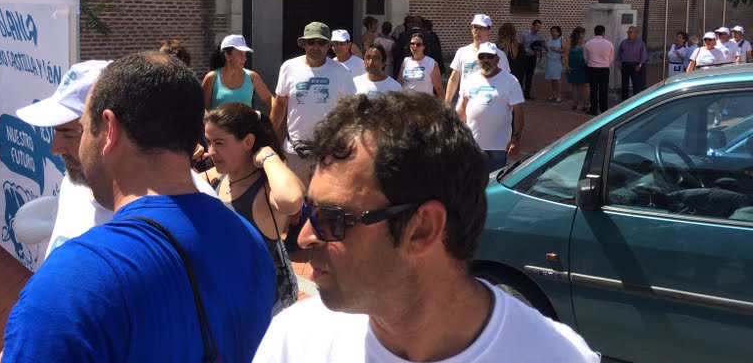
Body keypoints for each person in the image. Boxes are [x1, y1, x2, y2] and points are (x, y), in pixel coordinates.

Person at [252, 91, 599, 362]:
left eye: (333, 219)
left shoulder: (555, 356)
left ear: (422, 229)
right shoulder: (296, 341)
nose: (305, 236)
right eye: (310, 211)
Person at [2, 52, 274, 362]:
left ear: (109, 129)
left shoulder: (71, 282)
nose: (58, 146)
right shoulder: (249, 240)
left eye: (83, 128)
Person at [13, 60, 219, 263]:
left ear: (109, 130)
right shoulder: (74, 182)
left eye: (69, 133)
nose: (55, 148)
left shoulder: (195, 212)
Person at [205, 103, 304, 314]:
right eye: (208, 142)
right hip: (226, 301)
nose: (209, 151)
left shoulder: (264, 190)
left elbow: (293, 199)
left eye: (219, 143)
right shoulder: (217, 177)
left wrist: (269, 156)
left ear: (248, 142)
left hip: (261, 307)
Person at [270, 22, 357, 187]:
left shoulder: (342, 71)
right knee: (295, 198)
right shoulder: (289, 67)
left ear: (328, 46)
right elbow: (280, 104)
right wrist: (269, 135)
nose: (315, 47)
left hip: (329, 151)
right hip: (295, 150)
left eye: (321, 42)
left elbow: (350, 109)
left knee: (325, 199)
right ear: (304, 44)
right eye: (311, 42)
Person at [457, 42, 525, 172]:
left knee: (493, 180)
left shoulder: (510, 80)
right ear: (477, 59)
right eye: (481, 56)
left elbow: (519, 112)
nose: (485, 60)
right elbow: (462, 107)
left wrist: (515, 139)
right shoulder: (470, 79)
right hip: (472, 144)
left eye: (490, 56)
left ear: (497, 59)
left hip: (498, 147)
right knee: (472, 179)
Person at [444, 14, 509, 106]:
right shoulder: (462, 52)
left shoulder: (498, 55)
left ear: (488, 30)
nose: (477, 31)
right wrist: (447, 102)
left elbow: (505, 80)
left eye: (481, 28)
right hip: (464, 104)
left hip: (488, 104)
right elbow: (454, 79)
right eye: (475, 27)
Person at [202, 34, 273, 110]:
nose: (244, 58)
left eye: (245, 54)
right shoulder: (211, 78)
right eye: (240, 54)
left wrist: (274, 116)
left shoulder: (253, 77)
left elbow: (269, 99)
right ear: (227, 55)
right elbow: (201, 108)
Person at [397, 31, 444, 97]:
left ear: (423, 47)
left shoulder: (431, 63)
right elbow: (399, 83)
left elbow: (438, 88)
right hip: (407, 101)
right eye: (412, 44)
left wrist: (445, 102)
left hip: (425, 101)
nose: (415, 46)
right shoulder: (405, 61)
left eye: (418, 44)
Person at [583, 25, 614, 115]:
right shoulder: (609, 43)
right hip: (604, 69)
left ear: (594, 32)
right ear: (603, 32)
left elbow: (585, 57)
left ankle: (593, 109)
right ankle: (604, 109)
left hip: (592, 68)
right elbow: (611, 57)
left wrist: (590, 63)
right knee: (604, 89)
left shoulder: (588, 43)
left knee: (593, 89)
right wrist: (605, 63)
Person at [615, 26, 648, 100]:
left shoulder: (641, 43)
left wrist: (640, 65)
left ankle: (636, 101)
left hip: (635, 66)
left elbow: (644, 56)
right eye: (628, 32)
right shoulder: (623, 42)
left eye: (630, 32)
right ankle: (624, 101)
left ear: (636, 33)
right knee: (624, 85)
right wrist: (619, 62)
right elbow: (619, 52)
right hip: (625, 66)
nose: (628, 33)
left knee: (636, 85)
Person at [565, 27, 589, 111]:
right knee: (574, 85)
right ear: (577, 34)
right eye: (582, 33)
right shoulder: (570, 43)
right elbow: (566, 54)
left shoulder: (585, 43)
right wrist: (566, 65)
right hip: (572, 66)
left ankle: (585, 103)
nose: (584, 35)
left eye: (584, 33)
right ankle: (575, 102)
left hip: (582, 66)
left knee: (583, 85)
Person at [519, 19, 544, 99]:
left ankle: (527, 94)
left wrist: (538, 49)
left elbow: (539, 47)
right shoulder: (524, 34)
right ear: (533, 25)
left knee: (530, 76)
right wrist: (527, 51)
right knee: (521, 75)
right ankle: (518, 93)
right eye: (537, 27)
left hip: (533, 58)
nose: (538, 29)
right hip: (524, 57)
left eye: (539, 27)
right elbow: (519, 46)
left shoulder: (539, 36)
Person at [544, 25, 565, 103]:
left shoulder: (562, 39)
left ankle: (559, 96)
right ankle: (553, 95)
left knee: (557, 79)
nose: (552, 33)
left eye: (554, 32)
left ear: (558, 32)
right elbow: (548, 49)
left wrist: (555, 49)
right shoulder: (550, 39)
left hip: (557, 61)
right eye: (551, 32)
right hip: (549, 60)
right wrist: (544, 46)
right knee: (552, 79)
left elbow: (564, 50)